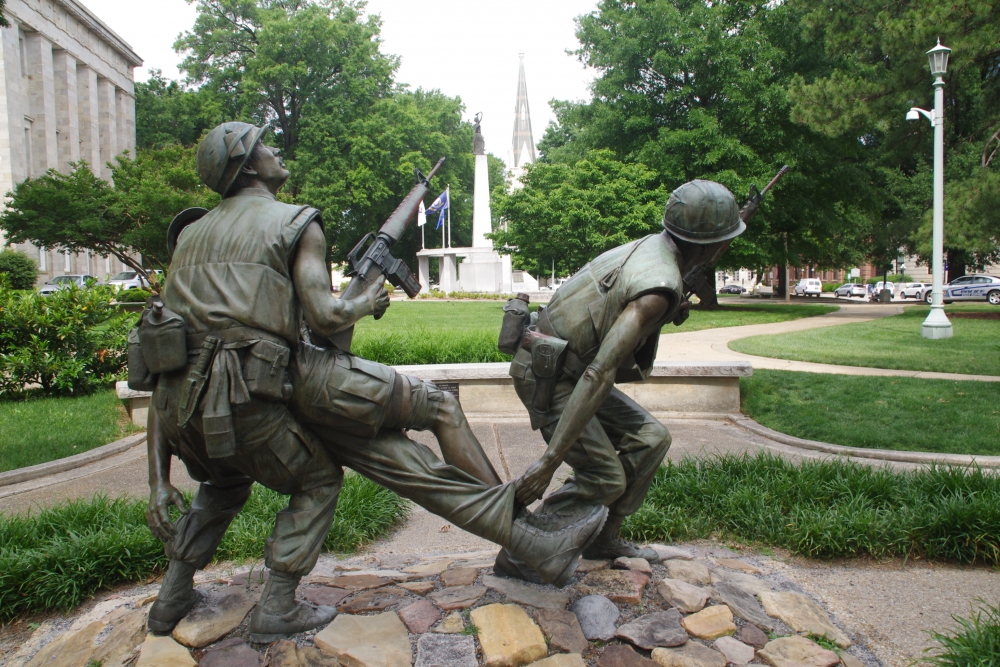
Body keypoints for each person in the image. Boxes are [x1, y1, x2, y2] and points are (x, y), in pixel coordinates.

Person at [146, 121, 606, 641]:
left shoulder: (187, 237)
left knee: (226, 481)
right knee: (422, 416)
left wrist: (158, 480)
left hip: (197, 411)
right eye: (266, 144)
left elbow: (166, 361)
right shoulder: (296, 223)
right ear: (249, 164)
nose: (276, 151)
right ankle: (519, 533)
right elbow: (324, 317)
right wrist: (367, 300)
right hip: (277, 392)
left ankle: (171, 598)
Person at [494, 180, 746, 581]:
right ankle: (524, 554)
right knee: (606, 476)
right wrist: (548, 462)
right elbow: (601, 373)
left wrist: (671, 308)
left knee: (651, 438)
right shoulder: (656, 287)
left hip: (567, 368)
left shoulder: (657, 249)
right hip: (550, 376)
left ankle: (603, 537)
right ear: (711, 246)